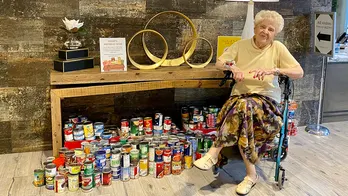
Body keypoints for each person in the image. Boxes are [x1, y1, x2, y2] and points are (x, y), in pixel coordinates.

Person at [193, 10, 304, 195]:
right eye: (262, 27)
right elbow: (219, 63)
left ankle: (213, 153)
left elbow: (299, 72)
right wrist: (233, 66)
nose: (265, 31)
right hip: (240, 100)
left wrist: (274, 70)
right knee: (244, 110)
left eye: (271, 29)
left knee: (244, 107)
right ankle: (251, 175)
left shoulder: (278, 48)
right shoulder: (240, 45)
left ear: (275, 33)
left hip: (266, 102)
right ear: (255, 27)